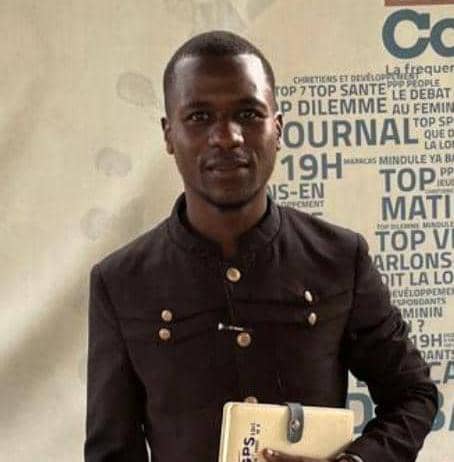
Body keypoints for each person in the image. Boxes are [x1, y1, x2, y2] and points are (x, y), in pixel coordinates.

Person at [84, 31, 438, 462]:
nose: (227, 137)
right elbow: (112, 451)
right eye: (199, 116)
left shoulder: (340, 258)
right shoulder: (120, 282)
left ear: (278, 127)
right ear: (168, 134)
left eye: (248, 114)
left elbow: (413, 395)